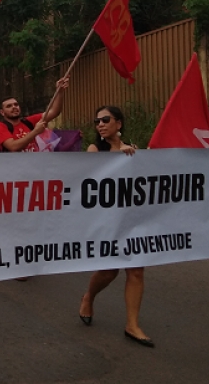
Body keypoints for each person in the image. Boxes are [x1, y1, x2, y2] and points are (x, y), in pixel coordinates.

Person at [76, 106, 152, 347]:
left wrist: (142, 159)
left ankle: (132, 324)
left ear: (118, 123)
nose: (100, 124)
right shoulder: (95, 149)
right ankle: (89, 297)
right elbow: (92, 176)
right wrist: (119, 157)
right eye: (97, 120)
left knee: (136, 270)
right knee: (110, 271)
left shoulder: (133, 148)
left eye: (105, 119)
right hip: (106, 220)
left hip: (131, 219)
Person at [0, 77, 69, 152]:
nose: (14, 107)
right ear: (2, 112)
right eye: (9, 106)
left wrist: (59, 92)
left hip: (32, 163)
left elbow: (54, 112)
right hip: (13, 164)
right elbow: (13, 147)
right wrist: (35, 132)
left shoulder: (28, 122)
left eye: (16, 104)